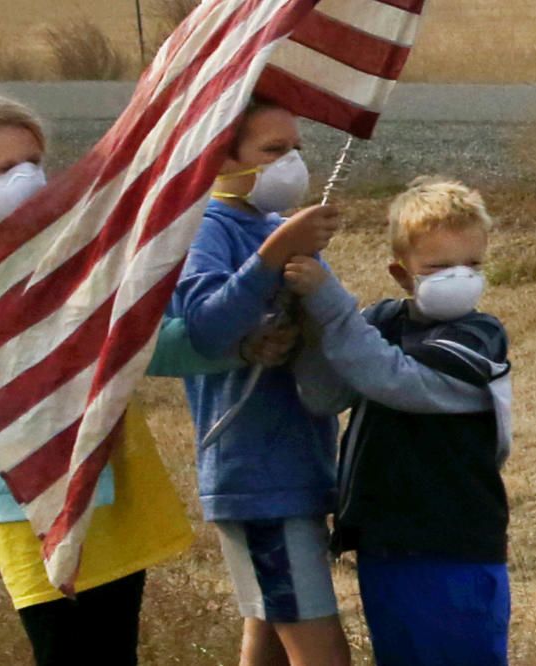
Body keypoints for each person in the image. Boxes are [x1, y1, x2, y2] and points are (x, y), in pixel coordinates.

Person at [0, 94, 294, 665]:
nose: (26, 178)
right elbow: (86, 341)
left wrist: (238, 348)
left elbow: (121, 333)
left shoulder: (51, 244)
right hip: (32, 492)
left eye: (34, 161)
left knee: (113, 650)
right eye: (2, 169)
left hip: (98, 471)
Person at [286, 177, 513, 666]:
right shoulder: (384, 321)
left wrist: (330, 303)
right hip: (385, 543)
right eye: (438, 267)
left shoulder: (480, 337)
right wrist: (310, 324)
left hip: (455, 546)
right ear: (402, 273)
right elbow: (325, 394)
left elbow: (397, 380)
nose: (459, 277)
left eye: (471, 265)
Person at [169, 98, 351, 666]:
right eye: (272, 151)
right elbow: (204, 326)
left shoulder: (272, 226)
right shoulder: (207, 229)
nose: (290, 163)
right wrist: (273, 255)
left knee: (269, 637)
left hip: (297, 466)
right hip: (256, 477)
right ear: (220, 159)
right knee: (322, 654)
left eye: (296, 149)